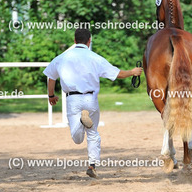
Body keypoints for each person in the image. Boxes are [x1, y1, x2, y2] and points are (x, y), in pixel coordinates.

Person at [44, 28, 142, 178]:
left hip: (73, 99)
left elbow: (51, 77)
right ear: (89, 41)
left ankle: (82, 122)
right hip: (90, 99)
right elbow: (116, 74)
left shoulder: (62, 58)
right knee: (93, 133)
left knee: (77, 139)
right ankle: (92, 165)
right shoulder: (95, 58)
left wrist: (51, 95)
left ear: (75, 40)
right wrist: (132, 72)